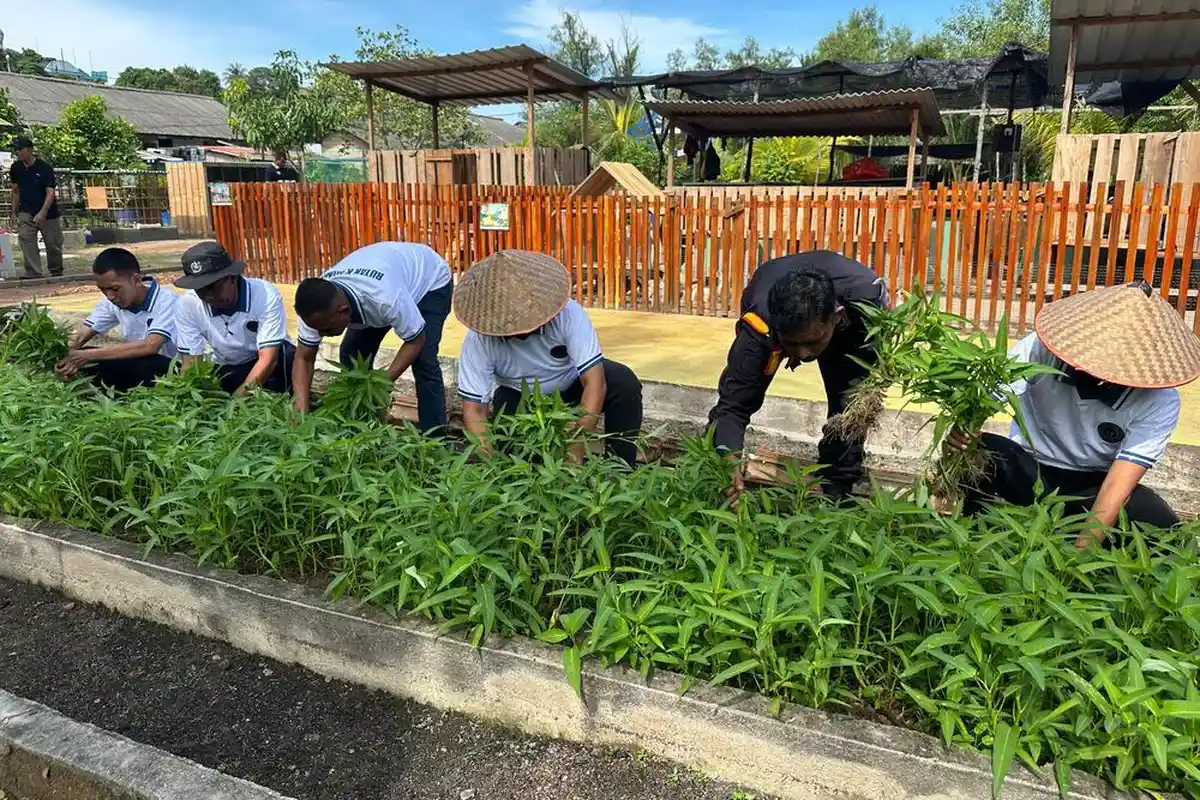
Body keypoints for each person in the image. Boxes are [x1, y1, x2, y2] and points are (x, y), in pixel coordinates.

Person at [954, 281, 1196, 546]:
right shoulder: (1040, 349)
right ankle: (971, 535)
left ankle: (1075, 543)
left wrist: (1078, 557)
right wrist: (960, 433)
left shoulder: (1159, 400)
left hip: (1093, 486)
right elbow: (987, 399)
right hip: (1031, 467)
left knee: (1163, 528)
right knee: (981, 451)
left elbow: (1118, 484)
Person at [708, 250, 888, 502]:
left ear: (835, 318)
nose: (803, 355)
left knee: (850, 408)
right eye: (793, 344)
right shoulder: (760, 323)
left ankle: (837, 491)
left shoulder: (865, 303)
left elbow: (876, 364)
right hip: (773, 312)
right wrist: (727, 461)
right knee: (738, 395)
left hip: (849, 325)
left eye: (811, 342)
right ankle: (713, 476)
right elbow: (732, 406)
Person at [453, 250, 643, 467]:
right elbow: (474, 410)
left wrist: (574, 456)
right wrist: (493, 467)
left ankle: (620, 468)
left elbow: (594, 383)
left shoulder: (569, 314)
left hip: (570, 387)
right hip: (520, 400)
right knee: (521, 462)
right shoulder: (479, 340)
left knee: (622, 382)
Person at [293, 241, 452, 432]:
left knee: (424, 361)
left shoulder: (384, 299)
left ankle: (435, 441)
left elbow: (416, 340)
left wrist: (379, 384)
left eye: (325, 329)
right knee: (351, 354)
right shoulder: (314, 310)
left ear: (344, 311)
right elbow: (304, 357)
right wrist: (300, 413)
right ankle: (361, 426)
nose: (320, 334)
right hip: (386, 275)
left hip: (429, 281)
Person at [174, 241, 295, 395]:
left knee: (288, 356)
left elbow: (268, 359)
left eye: (213, 287)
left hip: (263, 360)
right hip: (227, 364)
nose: (208, 296)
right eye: (200, 290)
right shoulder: (187, 305)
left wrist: (236, 404)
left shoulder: (264, 295)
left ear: (232, 277)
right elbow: (191, 362)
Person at [55, 247, 178, 390]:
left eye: (115, 289)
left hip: (172, 368)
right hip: (140, 363)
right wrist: (65, 358)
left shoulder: (168, 302)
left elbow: (150, 346)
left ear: (136, 279)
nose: (110, 296)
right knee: (87, 360)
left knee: (97, 357)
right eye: (103, 290)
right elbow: (81, 336)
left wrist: (87, 355)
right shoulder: (111, 303)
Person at [8, 136, 64, 279]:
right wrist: (14, 212)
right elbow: (15, 190)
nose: (18, 152)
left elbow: (50, 192)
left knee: (53, 244)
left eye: (20, 149)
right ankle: (33, 272)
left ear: (30, 149)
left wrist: (43, 212)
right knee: (26, 239)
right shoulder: (16, 168)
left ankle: (56, 270)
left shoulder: (44, 168)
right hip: (26, 210)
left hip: (48, 212)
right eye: (16, 149)